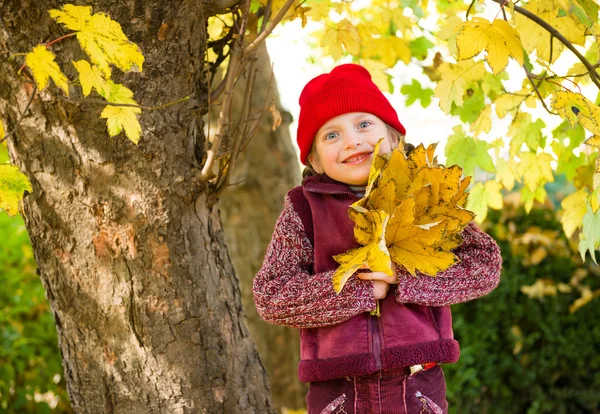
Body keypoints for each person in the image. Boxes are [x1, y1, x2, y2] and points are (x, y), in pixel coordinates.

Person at [253, 63, 502, 414]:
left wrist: (403, 276)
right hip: (338, 392)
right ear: (315, 159)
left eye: (364, 124)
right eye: (331, 135)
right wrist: (360, 288)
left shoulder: (424, 193)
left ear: (394, 136)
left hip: (417, 385)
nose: (353, 140)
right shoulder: (304, 209)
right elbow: (272, 296)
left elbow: (484, 266)